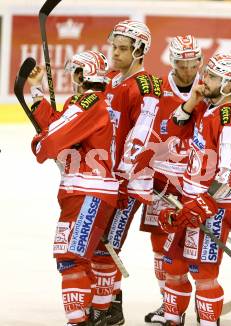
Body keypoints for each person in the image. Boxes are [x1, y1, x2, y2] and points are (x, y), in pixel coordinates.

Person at [157, 53, 231, 325]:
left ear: (229, 84)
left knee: (203, 272)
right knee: (173, 265)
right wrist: (191, 102)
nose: (203, 79)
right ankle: (172, 319)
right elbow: (171, 131)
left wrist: (201, 205)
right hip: (192, 199)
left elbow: (228, 176)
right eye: (207, 73)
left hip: (217, 205)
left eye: (211, 76)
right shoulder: (206, 106)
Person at [28, 50, 118, 326]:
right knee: (73, 258)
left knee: (71, 259)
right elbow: (59, 127)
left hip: (87, 192)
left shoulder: (89, 102)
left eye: (75, 72)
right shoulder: (89, 103)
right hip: (81, 192)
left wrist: (41, 144)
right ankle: (90, 317)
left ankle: (80, 321)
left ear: (84, 75)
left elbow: (53, 139)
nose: (72, 78)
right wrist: (37, 92)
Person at [138, 35, 203, 325]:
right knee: (159, 243)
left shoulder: (209, 87)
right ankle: (169, 302)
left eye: (193, 64)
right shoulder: (157, 89)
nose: (188, 70)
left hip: (193, 182)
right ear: (172, 61)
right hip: (161, 178)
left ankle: (200, 298)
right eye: (181, 64)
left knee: (193, 246)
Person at [101, 19, 162, 326]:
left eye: (123, 48)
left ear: (139, 52)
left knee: (108, 243)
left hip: (130, 182)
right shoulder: (112, 79)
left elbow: (141, 135)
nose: (115, 52)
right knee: (102, 241)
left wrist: (123, 176)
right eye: (114, 46)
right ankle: (108, 303)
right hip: (108, 177)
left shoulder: (146, 87)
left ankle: (111, 308)